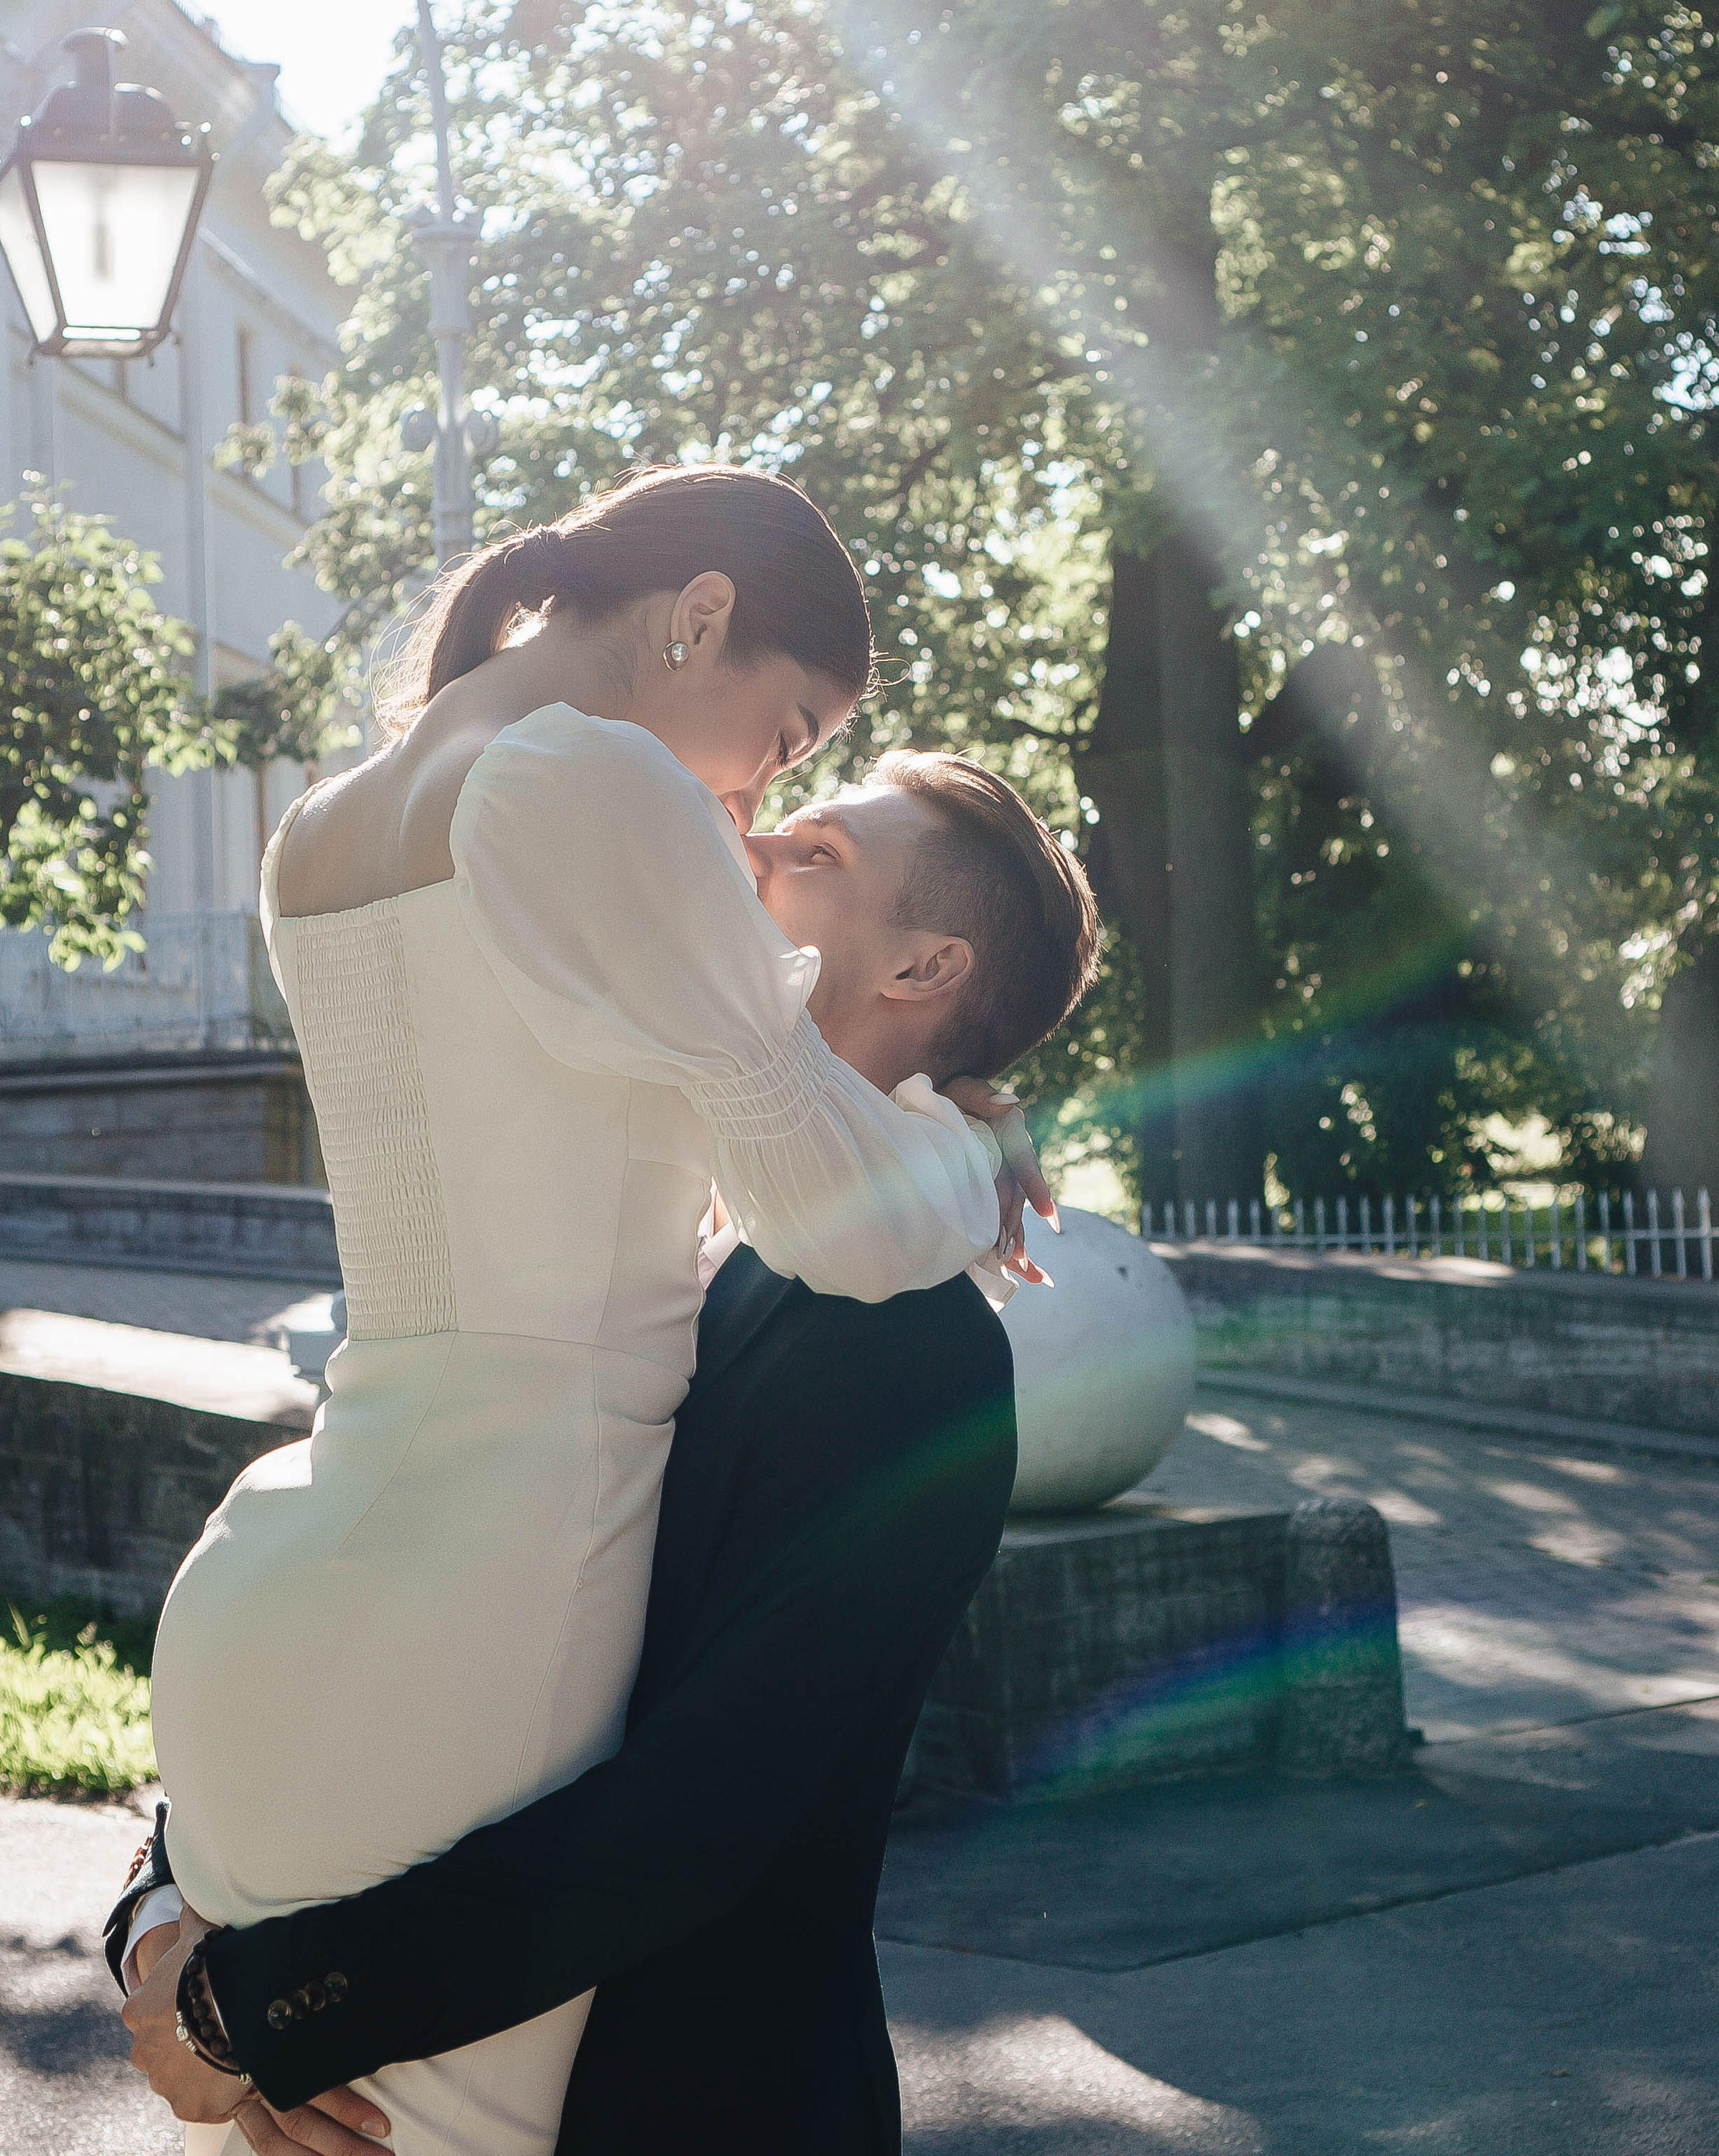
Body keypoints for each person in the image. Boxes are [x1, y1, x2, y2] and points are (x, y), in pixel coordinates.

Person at [132, 464, 1056, 2156]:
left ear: (923, 970)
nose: (751, 811)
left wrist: (224, 1989)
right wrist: (961, 1149)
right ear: (696, 616)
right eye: (784, 738)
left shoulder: (322, 825)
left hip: (289, 1572)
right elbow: (817, 1196)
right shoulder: (593, 778)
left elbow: (698, 1811)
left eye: (801, 801)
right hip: (487, 1585)